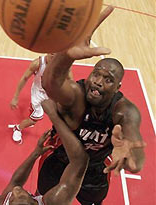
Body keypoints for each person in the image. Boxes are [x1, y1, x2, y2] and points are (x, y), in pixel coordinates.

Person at [37, 6, 146, 205]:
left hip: (94, 171)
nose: (97, 81)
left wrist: (130, 154)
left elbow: (136, 161)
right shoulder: (78, 95)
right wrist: (66, 55)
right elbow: (50, 84)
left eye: (107, 79)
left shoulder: (123, 111)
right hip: (59, 161)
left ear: (117, 87)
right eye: (96, 74)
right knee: (42, 198)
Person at [0, 99, 89, 205]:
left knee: (41, 188)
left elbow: (16, 182)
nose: (15, 191)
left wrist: (36, 153)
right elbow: (80, 161)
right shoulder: (55, 201)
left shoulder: (1, 203)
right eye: (15, 198)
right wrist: (54, 116)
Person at [10, 54, 73, 143]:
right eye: (52, 55)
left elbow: (71, 81)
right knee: (34, 120)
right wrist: (15, 97)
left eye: (56, 55)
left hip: (53, 94)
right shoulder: (38, 64)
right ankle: (17, 128)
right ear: (47, 51)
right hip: (38, 94)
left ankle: (57, 135)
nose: (54, 58)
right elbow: (24, 78)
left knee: (62, 115)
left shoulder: (63, 65)